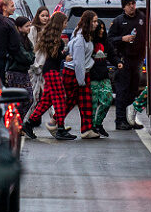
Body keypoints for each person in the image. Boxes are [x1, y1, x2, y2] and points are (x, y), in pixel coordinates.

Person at [21, 12, 75, 141]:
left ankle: (29, 124)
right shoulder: (55, 38)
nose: (66, 24)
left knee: (46, 100)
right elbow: (54, 56)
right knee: (60, 99)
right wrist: (65, 56)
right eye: (65, 22)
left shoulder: (49, 35)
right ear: (60, 23)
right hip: (52, 71)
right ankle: (60, 128)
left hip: (49, 70)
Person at [59, 10, 100, 139]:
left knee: (85, 102)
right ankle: (55, 121)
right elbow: (79, 62)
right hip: (75, 74)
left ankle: (86, 129)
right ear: (88, 22)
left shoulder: (86, 35)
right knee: (70, 101)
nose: (96, 24)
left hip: (81, 73)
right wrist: (81, 80)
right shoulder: (80, 39)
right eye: (94, 21)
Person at [108, 0, 146, 130]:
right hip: (124, 60)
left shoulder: (141, 18)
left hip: (138, 60)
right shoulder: (118, 21)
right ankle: (120, 120)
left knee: (133, 91)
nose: (132, 6)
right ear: (124, 7)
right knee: (122, 91)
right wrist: (122, 39)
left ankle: (131, 119)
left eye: (133, 4)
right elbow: (110, 39)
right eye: (129, 4)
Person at [90, 19, 122, 137]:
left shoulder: (106, 42)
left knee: (107, 99)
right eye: (100, 28)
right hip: (92, 77)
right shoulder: (89, 42)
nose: (102, 31)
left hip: (103, 76)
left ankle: (98, 123)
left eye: (103, 28)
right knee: (93, 104)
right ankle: (92, 127)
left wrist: (118, 62)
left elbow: (113, 55)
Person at [6, 16, 35, 119]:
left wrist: (30, 57)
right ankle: (15, 122)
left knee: (29, 99)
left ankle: (18, 121)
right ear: (19, 27)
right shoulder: (16, 40)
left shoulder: (27, 40)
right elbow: (23, 56)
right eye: (27, 26)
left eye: (29, 26)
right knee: (16, 101)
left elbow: (32, 55)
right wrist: (29, 57)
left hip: (24, 72)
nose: (29, 28)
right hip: (14, 73)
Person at [25, 6, 50, 120]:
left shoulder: (50, 29)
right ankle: (25, 121)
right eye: (42, 16)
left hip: (46, 66)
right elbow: (31, 47)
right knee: (34, 96)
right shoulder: (34, 29)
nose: (45, 18)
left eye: (46, 16)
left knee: (49, 95)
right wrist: (34, 64)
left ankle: (56, 121)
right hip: (35, 67)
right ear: (38, 16)